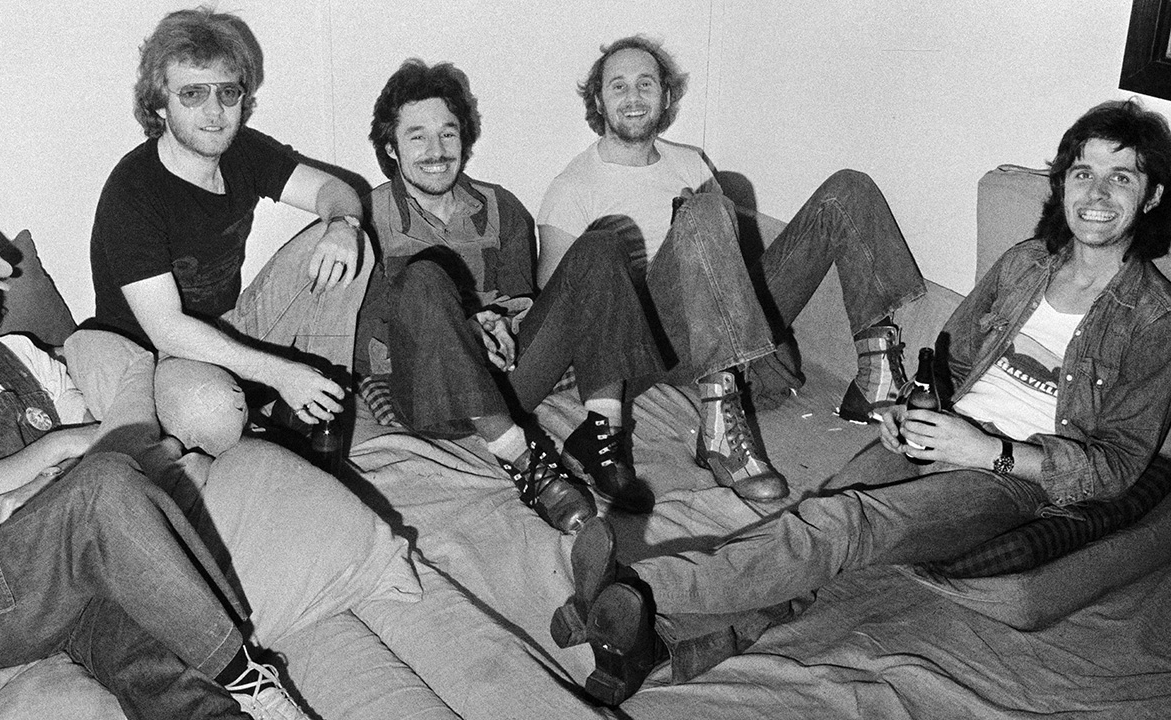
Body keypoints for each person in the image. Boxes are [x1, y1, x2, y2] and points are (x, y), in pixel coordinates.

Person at [551, 99, 1171, 706]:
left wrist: (990, 451)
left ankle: (630, 588)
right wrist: (907, 407)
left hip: (1008, 477)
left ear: (1151, 197)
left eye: (1121, 177)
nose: (1096, 193)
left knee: (841, 523)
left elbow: (1116, 466)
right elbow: (951, 361)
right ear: (1063, 185)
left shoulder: (1153, 317)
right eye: (1083, 173)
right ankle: (651, 644)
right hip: (936, 431)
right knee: (820, 528)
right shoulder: (1025, 265)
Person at [0, 219, 317, 719]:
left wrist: (31, 490)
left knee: (160, 664)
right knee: (104, 484)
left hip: (70, 570)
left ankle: (245, 703)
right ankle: (244, 670)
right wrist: (55, 446)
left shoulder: (23, 356)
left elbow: (108, 445)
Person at [537, 35, 927, 501]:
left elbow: (725, 262)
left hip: (723, 315)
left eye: (645, 83)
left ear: (665, 95)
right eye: (618, 86)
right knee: (702, 211)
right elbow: (559, 302)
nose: (633, 97)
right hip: (649, 345)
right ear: (598, 100)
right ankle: (719, 427)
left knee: (848, 190)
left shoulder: (689, 161)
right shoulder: (574, 186)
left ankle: (876, 371)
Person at [358, 59, 668, 531]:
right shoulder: (365, 219)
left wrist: (499, 320)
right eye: (417, 136)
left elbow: (525, 300)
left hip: (507, 384)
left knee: (602, 245)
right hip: (427, 395)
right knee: (423, 280)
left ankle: (603, 439)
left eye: (448, 133)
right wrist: (461, 329)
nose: (436, 151)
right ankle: (528, 464)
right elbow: (367, 345)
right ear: (391, 148)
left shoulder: (500, 206)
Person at [86, 7, 372, 457]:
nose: (215, 111)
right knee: (213, 412)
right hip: (160, 354)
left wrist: (341, 224)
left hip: (230, 324)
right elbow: (166, 329)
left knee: (352, 245)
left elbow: (334, 190)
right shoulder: (133, 190)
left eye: (228, 92)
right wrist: (278, 373)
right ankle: (280, 399)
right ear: (160, 104)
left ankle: (316, 404)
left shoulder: (242, 151)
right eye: (193, 94)